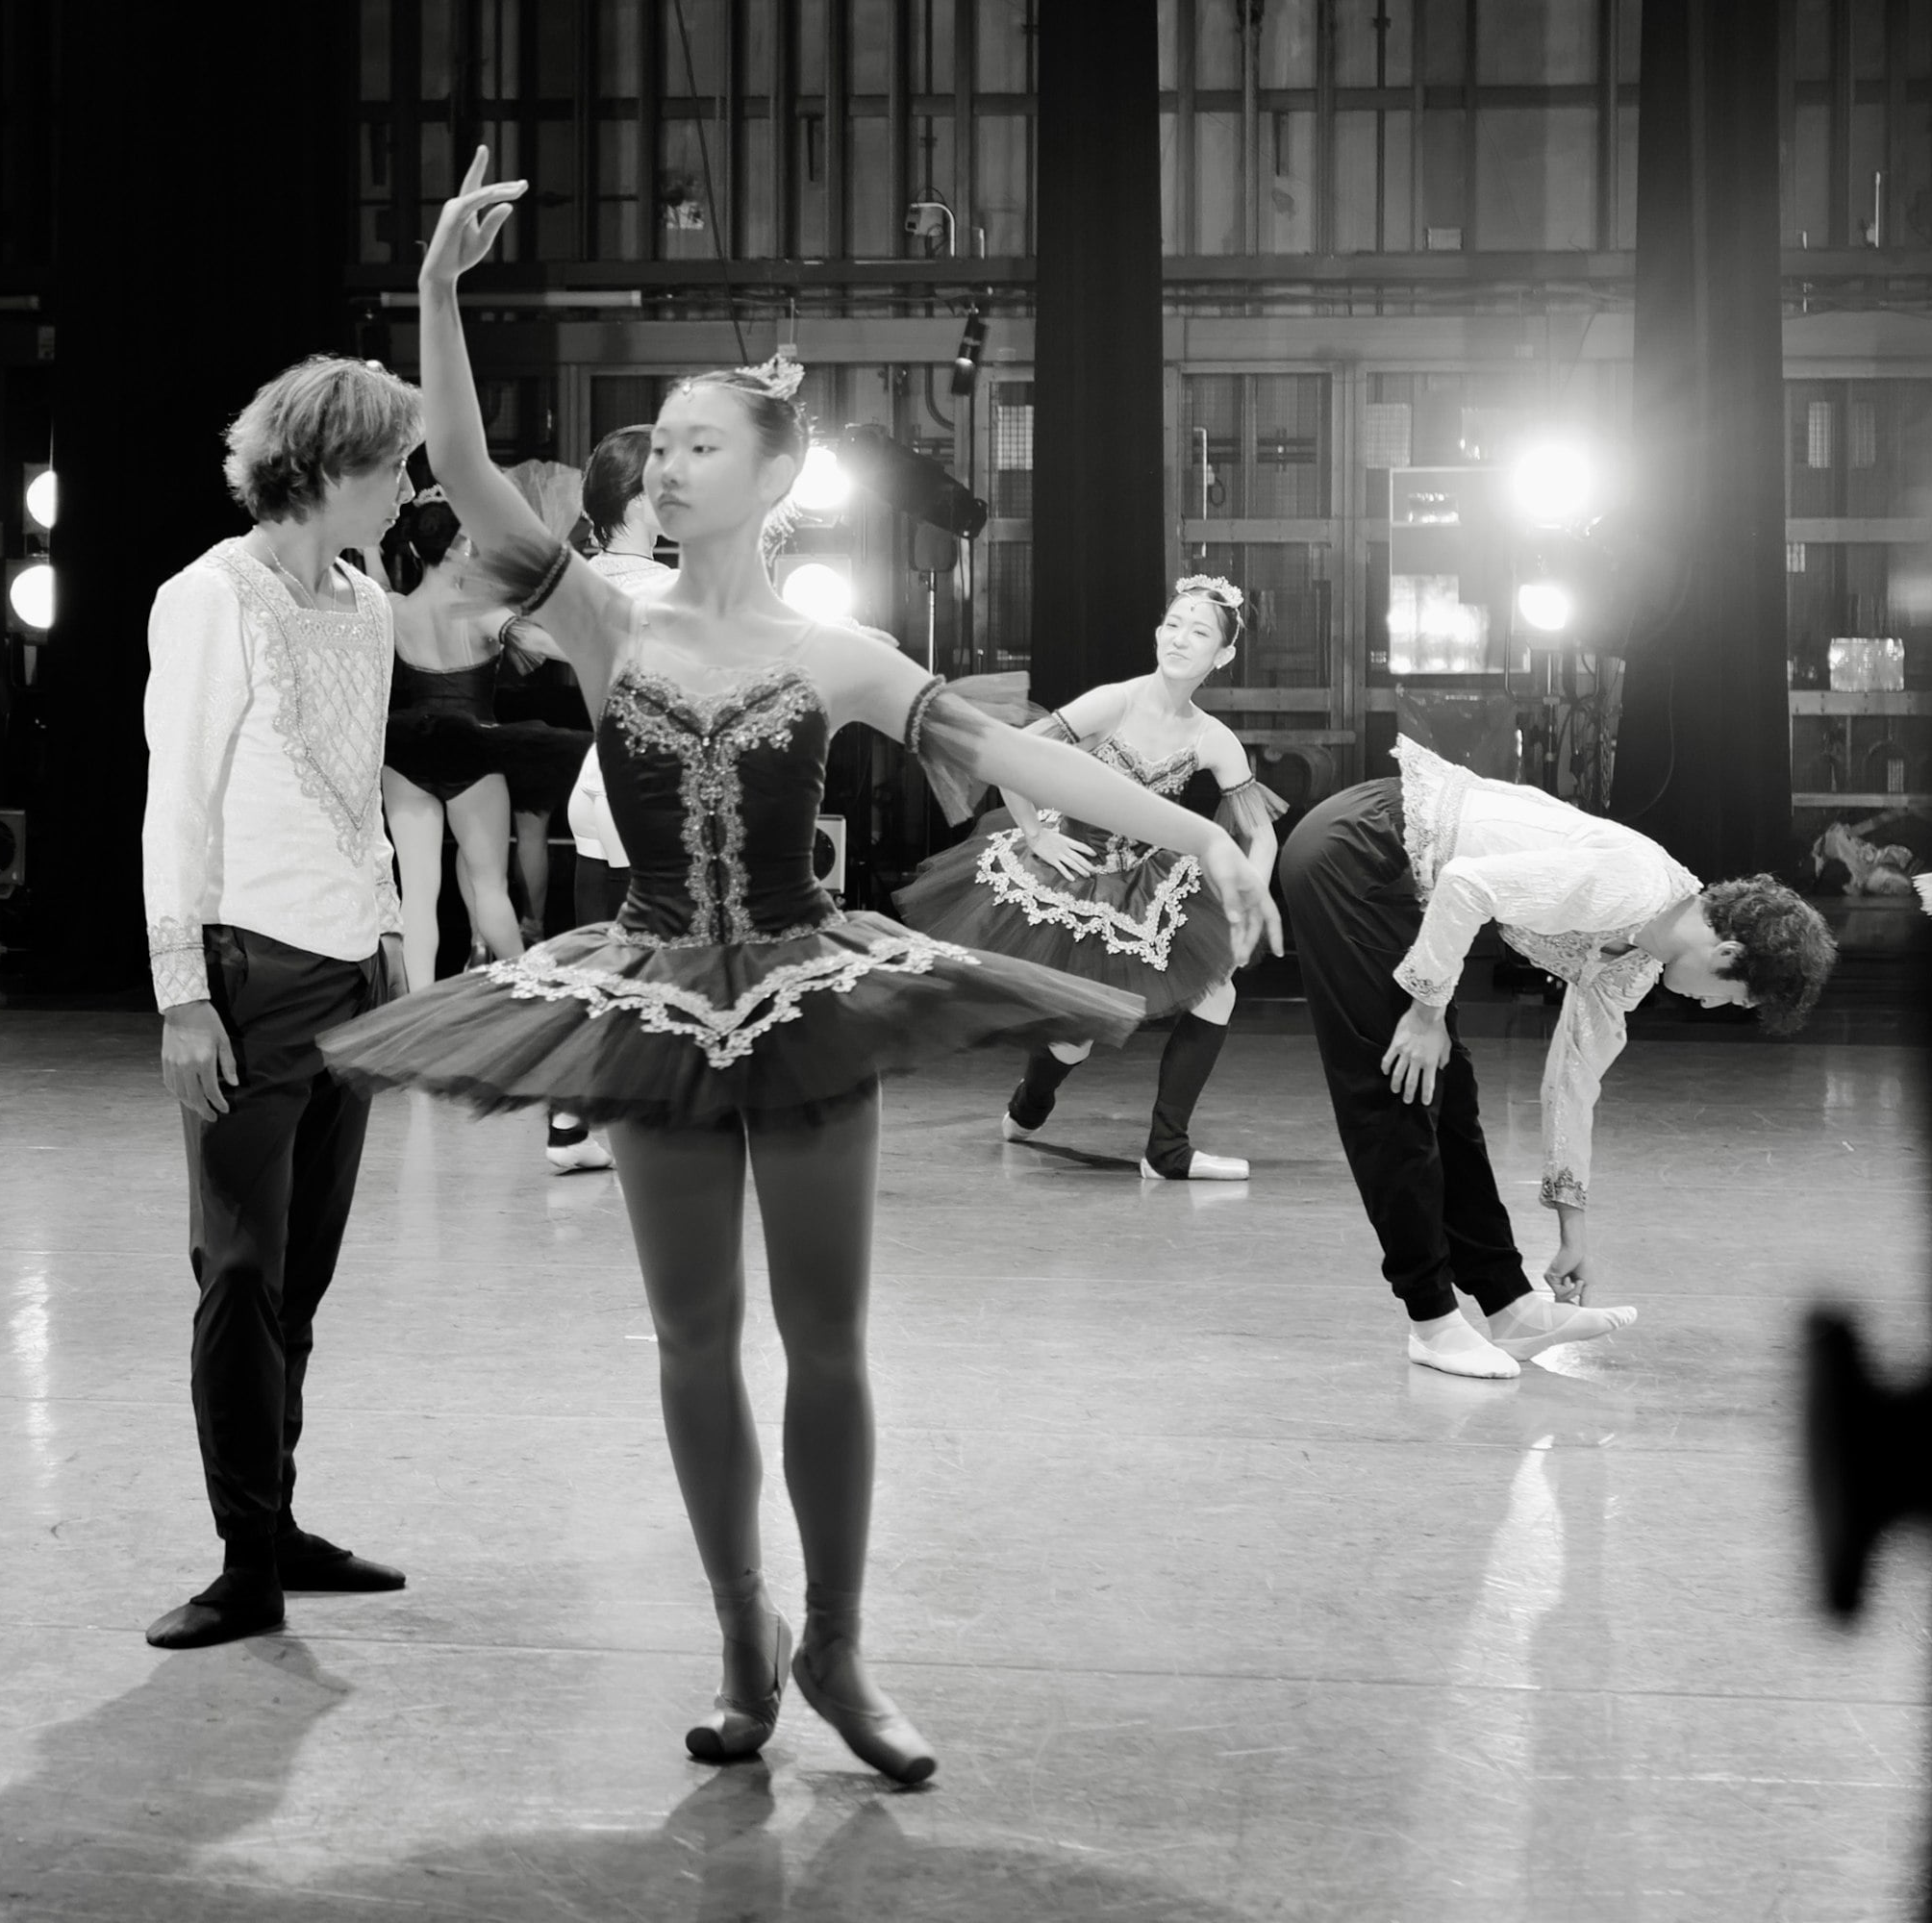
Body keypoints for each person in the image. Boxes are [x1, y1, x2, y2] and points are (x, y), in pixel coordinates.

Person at [322, 151, 1280, 1783]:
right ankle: (743, 1645)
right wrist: (433, 291)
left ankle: (839, 1646)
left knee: (825, 1342)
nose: (672, 465)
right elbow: (472, 471)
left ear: (776, 475)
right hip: (645, 1001)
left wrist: (1200, 840)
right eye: (665, 445)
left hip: (805, 990)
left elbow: (1023, 759)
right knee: (695, 1344)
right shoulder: (608, 620)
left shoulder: (836, 654)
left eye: (703, 445)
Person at [139, 354, 423, 1648]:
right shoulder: (209, 598)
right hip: (248, 981)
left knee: (298, 1282)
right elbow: (176, 804)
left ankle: (279, 1518)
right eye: (397, 463)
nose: (410, 486)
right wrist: (182, 994)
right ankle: (243, 1557)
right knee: (239, 1274)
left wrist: (389, 934)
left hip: (352, 974)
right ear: (331, 468)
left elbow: (357, 784)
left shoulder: (363, 599)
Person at [1278, 737, 1836, 1379]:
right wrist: (1425, 1011)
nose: (1713, 1008)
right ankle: (1430, 1320)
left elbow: (1574, 1080)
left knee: (1450, 1092)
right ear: (1730, 955)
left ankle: (1509, 1305)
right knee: (1398, 1088)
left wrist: (1573, 1230)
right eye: (1733, 1000)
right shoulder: (1634, 886)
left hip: (1399, 873)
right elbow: (1465, 884)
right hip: (1358, 849)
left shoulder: (1636, 960)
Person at [895, 575, 1282, 1178]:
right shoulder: (1114, 702)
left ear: (1223, 655)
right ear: (1158, 632)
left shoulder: (1215, 738)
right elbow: (1013, 757)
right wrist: (1035, 834)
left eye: (1199, 631)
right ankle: (1030, 1104)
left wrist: (1245, 904)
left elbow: (1260, 832)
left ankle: (1168, 1149)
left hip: (1144, 879)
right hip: (1071, 869)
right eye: (1174, 624)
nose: (1180, 639)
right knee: (1075, 1034)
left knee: (1219, 991)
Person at [542, 424, 665, 1173]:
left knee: (603, 965)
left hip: (596, 786)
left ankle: (568, 1124)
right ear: (638, 498)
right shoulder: (657, 585)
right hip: (641, 788)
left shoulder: (585, 576)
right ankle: (643, 1127)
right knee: (647, 967)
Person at [378, 476, 528, 989]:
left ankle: (419, 1014)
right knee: (490, 888)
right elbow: (545, 643)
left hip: (407, 753)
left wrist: (370, 549)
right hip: (471, 750)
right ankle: (530, 994)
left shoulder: (392, 609)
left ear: (416, 547)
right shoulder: (481, 611)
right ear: (466, 545)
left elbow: (374, 585)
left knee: (416, 894)